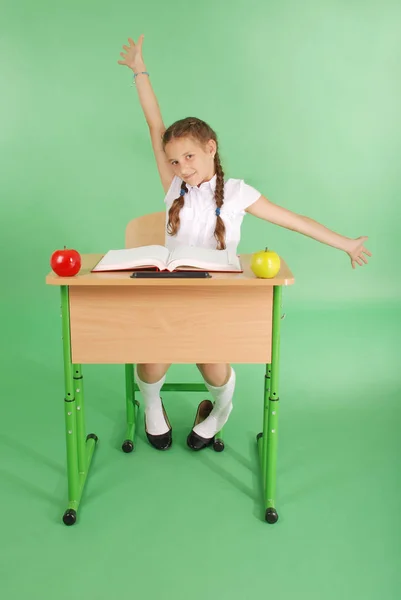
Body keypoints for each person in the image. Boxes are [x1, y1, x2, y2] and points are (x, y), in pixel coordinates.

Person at [117, 34, 372, 452]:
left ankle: (220, 409)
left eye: (190, 158)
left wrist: (344, 243)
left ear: (210, 149)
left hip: (217, 297)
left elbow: (294, 221)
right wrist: (140, 72)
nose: (182, 167)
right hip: (169, 292)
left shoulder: (237, 192)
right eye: (175, 161)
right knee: (151, 355)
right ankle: (150, 404)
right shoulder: (173, 187)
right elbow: (154, 124)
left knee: (212, 367)